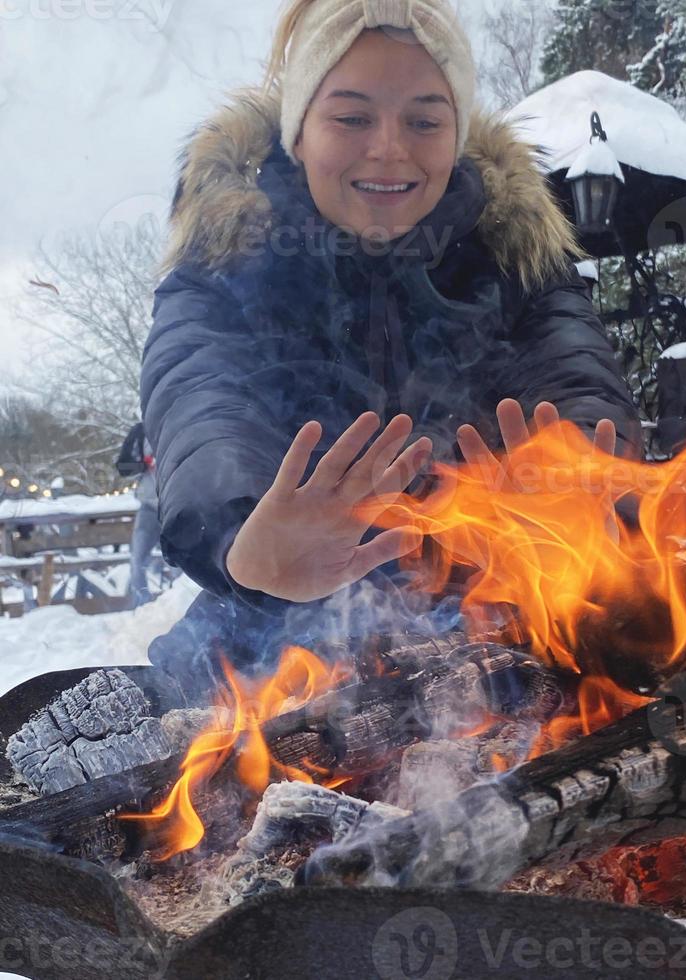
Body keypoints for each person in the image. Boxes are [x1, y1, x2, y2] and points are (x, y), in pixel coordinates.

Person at [141, 0, 642, 697]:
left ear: (457, 134)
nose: (388, 148)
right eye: (350, 117)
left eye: (424, 120)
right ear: (299, 136)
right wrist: (242, 534)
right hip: (274, 642)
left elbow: (579, 380)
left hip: (494, 639)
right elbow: (199, 397)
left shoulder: (519, 264)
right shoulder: (222, 271)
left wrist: (580, 483)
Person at [117, 421, 161, 606]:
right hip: (149, 506)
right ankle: (141, 606)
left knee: (184, 562)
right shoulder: (141, 431)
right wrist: (143, 465)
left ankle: (182, 607)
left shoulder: (182, 422)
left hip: (178, 507)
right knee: (137, 558)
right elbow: (123, 466)